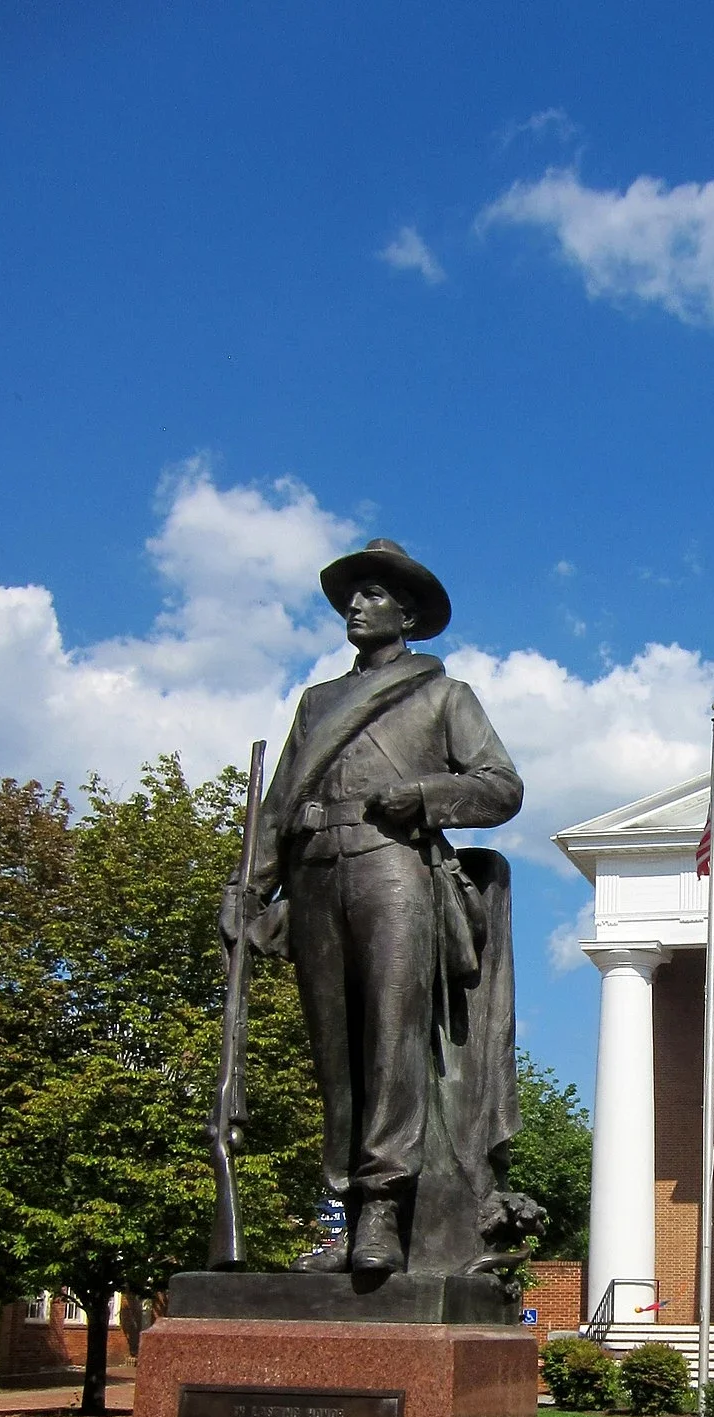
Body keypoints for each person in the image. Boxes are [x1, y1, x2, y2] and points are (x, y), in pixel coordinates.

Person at [224, 537, 524, 1277]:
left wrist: (425, 797)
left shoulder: (442, 696)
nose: (356, 605)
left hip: (394, 866)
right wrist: (250, 888)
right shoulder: (317, 703)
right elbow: (277, 803)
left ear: (408, 614)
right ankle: (344, 1214)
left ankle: (384, 1210)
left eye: (373, 594)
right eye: (351, 594)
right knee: (337, 1056)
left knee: (392, 1042)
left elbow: (501, 785)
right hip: (316, 876)